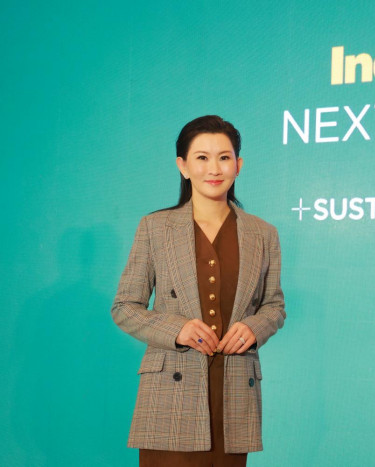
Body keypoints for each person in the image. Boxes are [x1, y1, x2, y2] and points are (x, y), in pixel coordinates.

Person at [111, 115, 286, 466]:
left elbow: (274, 306)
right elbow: (125, 306)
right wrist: (177, 329)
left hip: (233, 392)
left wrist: (254, 328)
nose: (214, 168)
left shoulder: (263, 233)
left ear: (238, 165)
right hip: (170, 394)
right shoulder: (155, 227)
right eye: (202, 157)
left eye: (224, 157)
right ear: (183, 166)